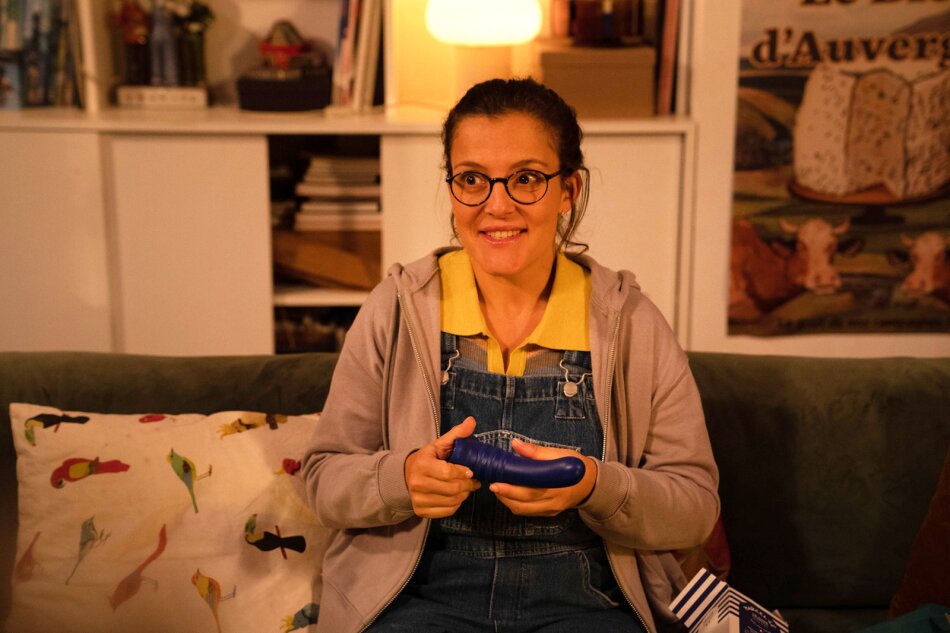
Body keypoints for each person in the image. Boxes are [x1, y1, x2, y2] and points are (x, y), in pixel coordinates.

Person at [301, 77, 720, 633]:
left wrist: (594, 485)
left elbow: (694, 507)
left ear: (568, 190)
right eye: (472, 179)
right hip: (419, 599)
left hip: (586, 602)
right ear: (453, 188)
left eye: (526, 179)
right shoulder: (395, 309)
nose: (496, 206)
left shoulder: (633, 324)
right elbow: (322, 480)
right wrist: (401, 479)